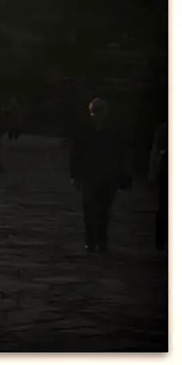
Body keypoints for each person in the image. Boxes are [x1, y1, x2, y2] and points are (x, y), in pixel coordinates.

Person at [69, 98, 130, 253]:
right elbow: (75, 156)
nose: (98, 114)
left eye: (100, 110)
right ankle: (90, 240)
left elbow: (121, 155)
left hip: (108, 176)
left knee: (104, 210)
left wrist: (122, 174)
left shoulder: (113, 132)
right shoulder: (83, 132)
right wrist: (75, 176)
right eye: (95, 111)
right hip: (89, 176)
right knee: (89, 209)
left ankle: (101, 240)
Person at [149, 121, 168, 251]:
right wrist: (153, 171)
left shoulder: (163, 128)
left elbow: (155, 151)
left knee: (164, 206)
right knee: (164, 206)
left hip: (165, 171)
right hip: (166, 171)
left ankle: (161, 241)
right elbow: (155, 151)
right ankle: (160, 241)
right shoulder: (164, 129)